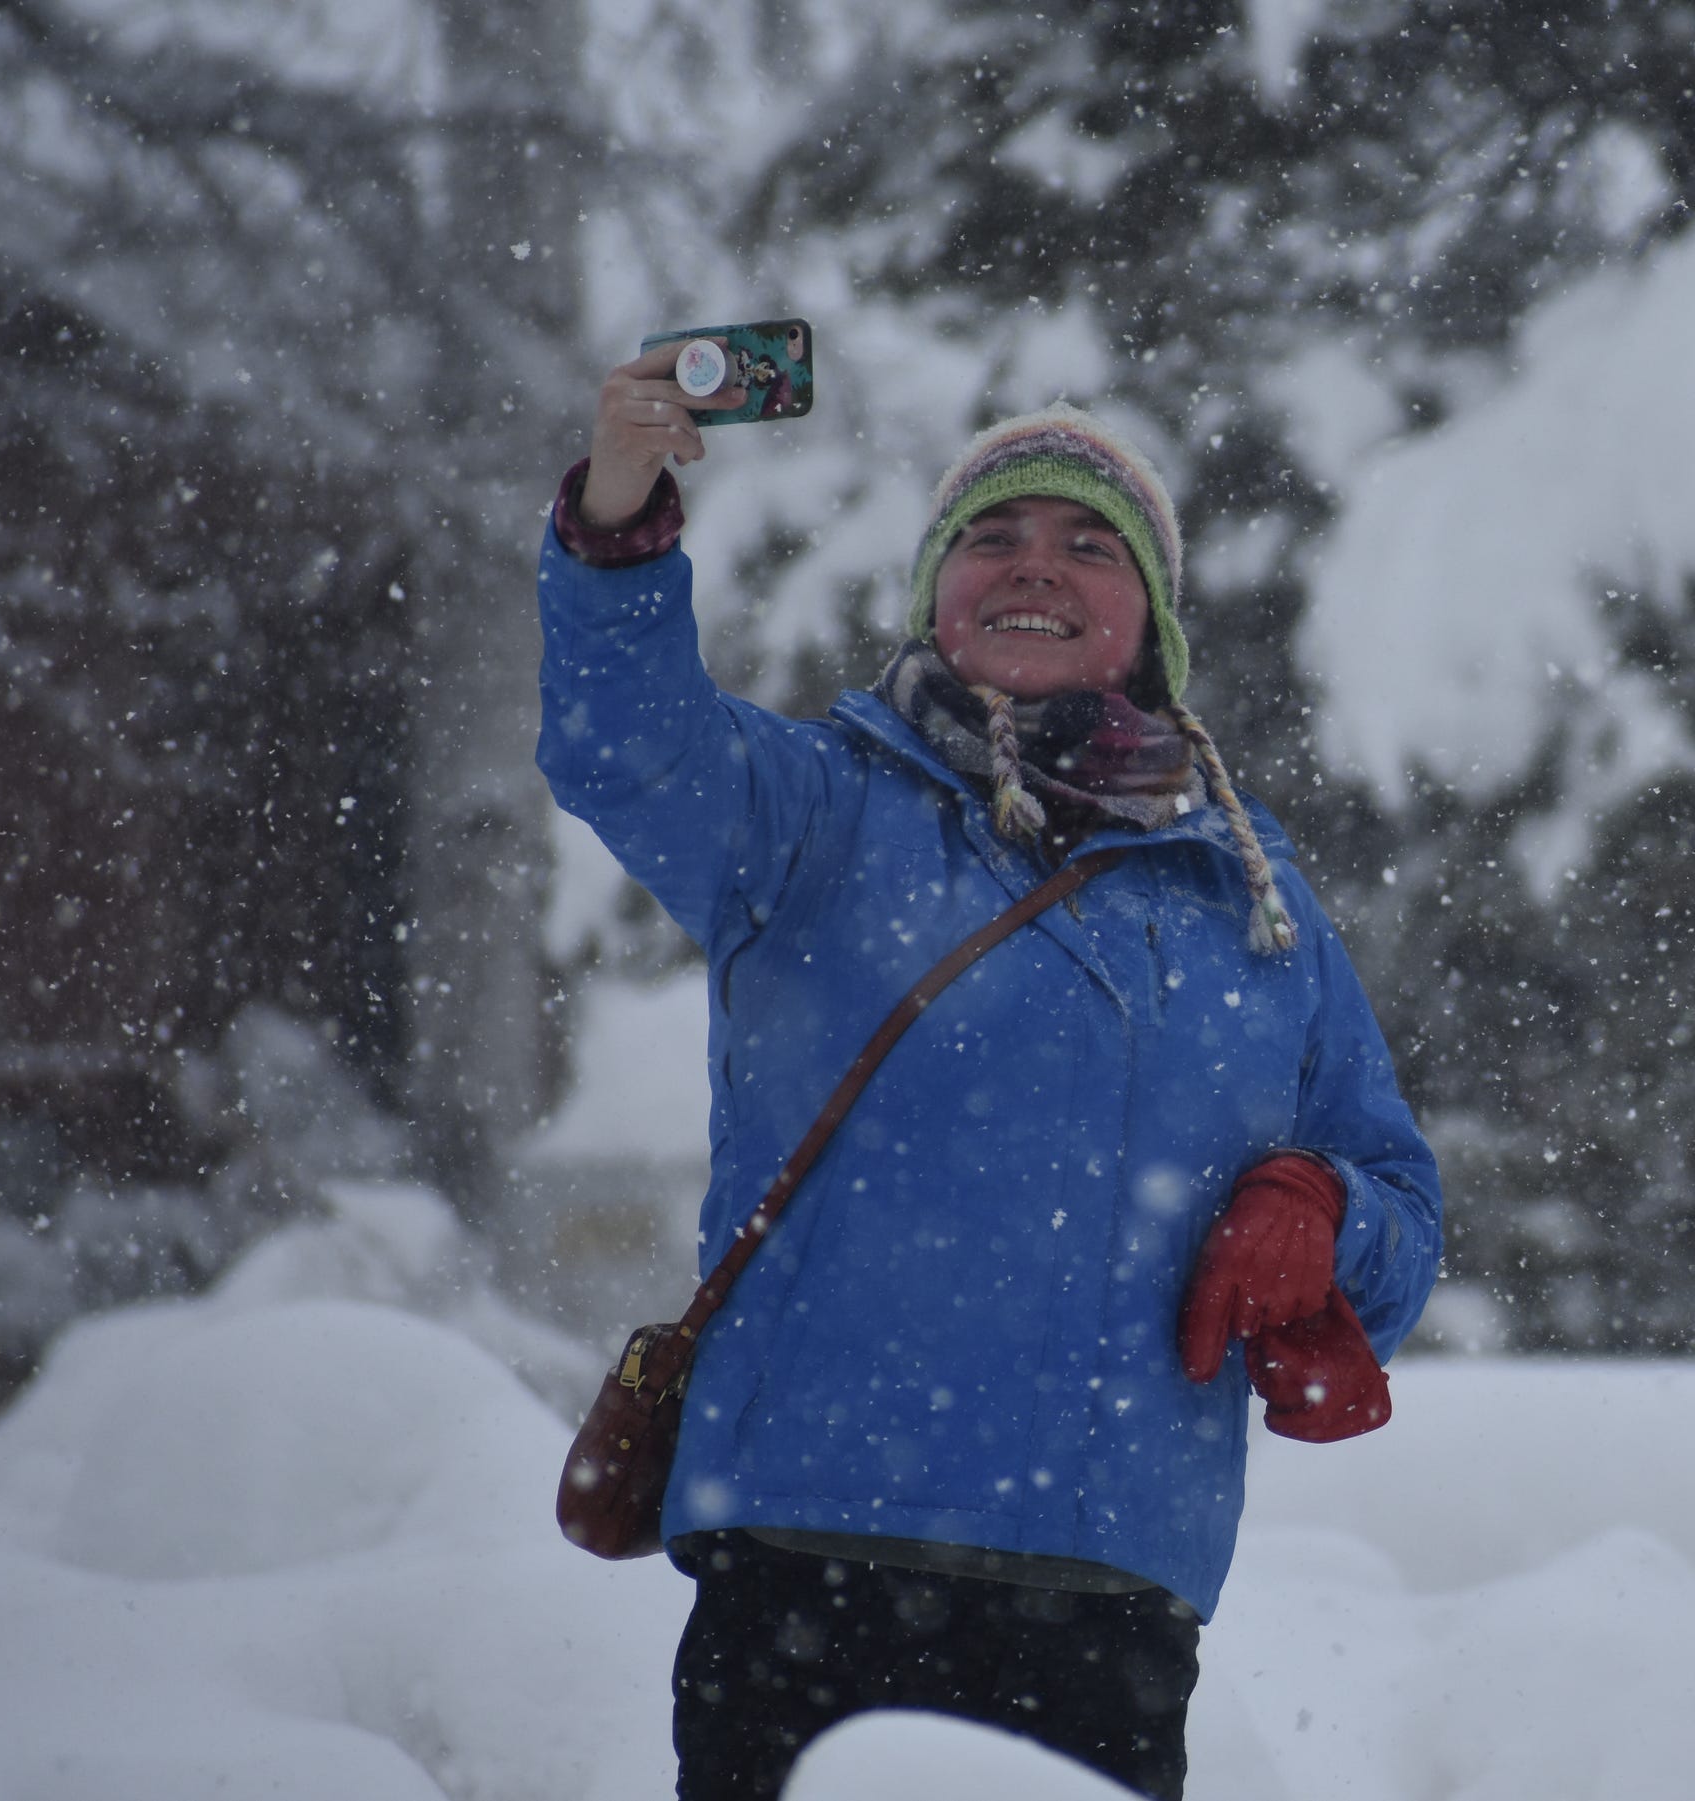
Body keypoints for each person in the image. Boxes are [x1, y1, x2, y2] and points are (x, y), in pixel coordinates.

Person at [536, 344, 1442, 1799]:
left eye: (1093, 545)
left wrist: (1321, 1208)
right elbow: (620, 747)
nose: (1039, 565)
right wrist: (619, 524)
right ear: (935, 594)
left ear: (1149, 622)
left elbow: (1403, 1203)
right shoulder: (813, 814)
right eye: (995, 534)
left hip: (1101, 1595)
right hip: (807, 1567)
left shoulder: (1246, 894)